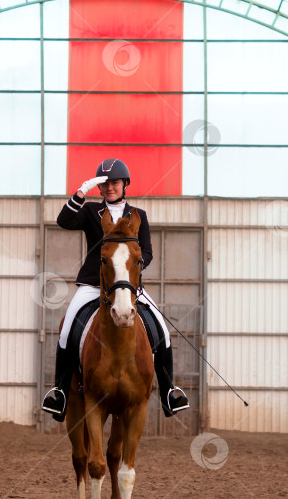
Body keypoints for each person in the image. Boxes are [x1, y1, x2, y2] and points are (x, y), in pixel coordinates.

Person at [41, 158, 189, 422]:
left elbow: (147, 252)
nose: (110, 187)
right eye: (106, 183)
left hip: (129, 287)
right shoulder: (90, 213)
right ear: (100, 187)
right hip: (92, 284)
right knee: (67, 330)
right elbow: (63, 220)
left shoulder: (138, 215)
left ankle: (169, 391)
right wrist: (80, 193)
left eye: (115, 183)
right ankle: (60, 392)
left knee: (162, 331)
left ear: (125, 185)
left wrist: (128, 270)